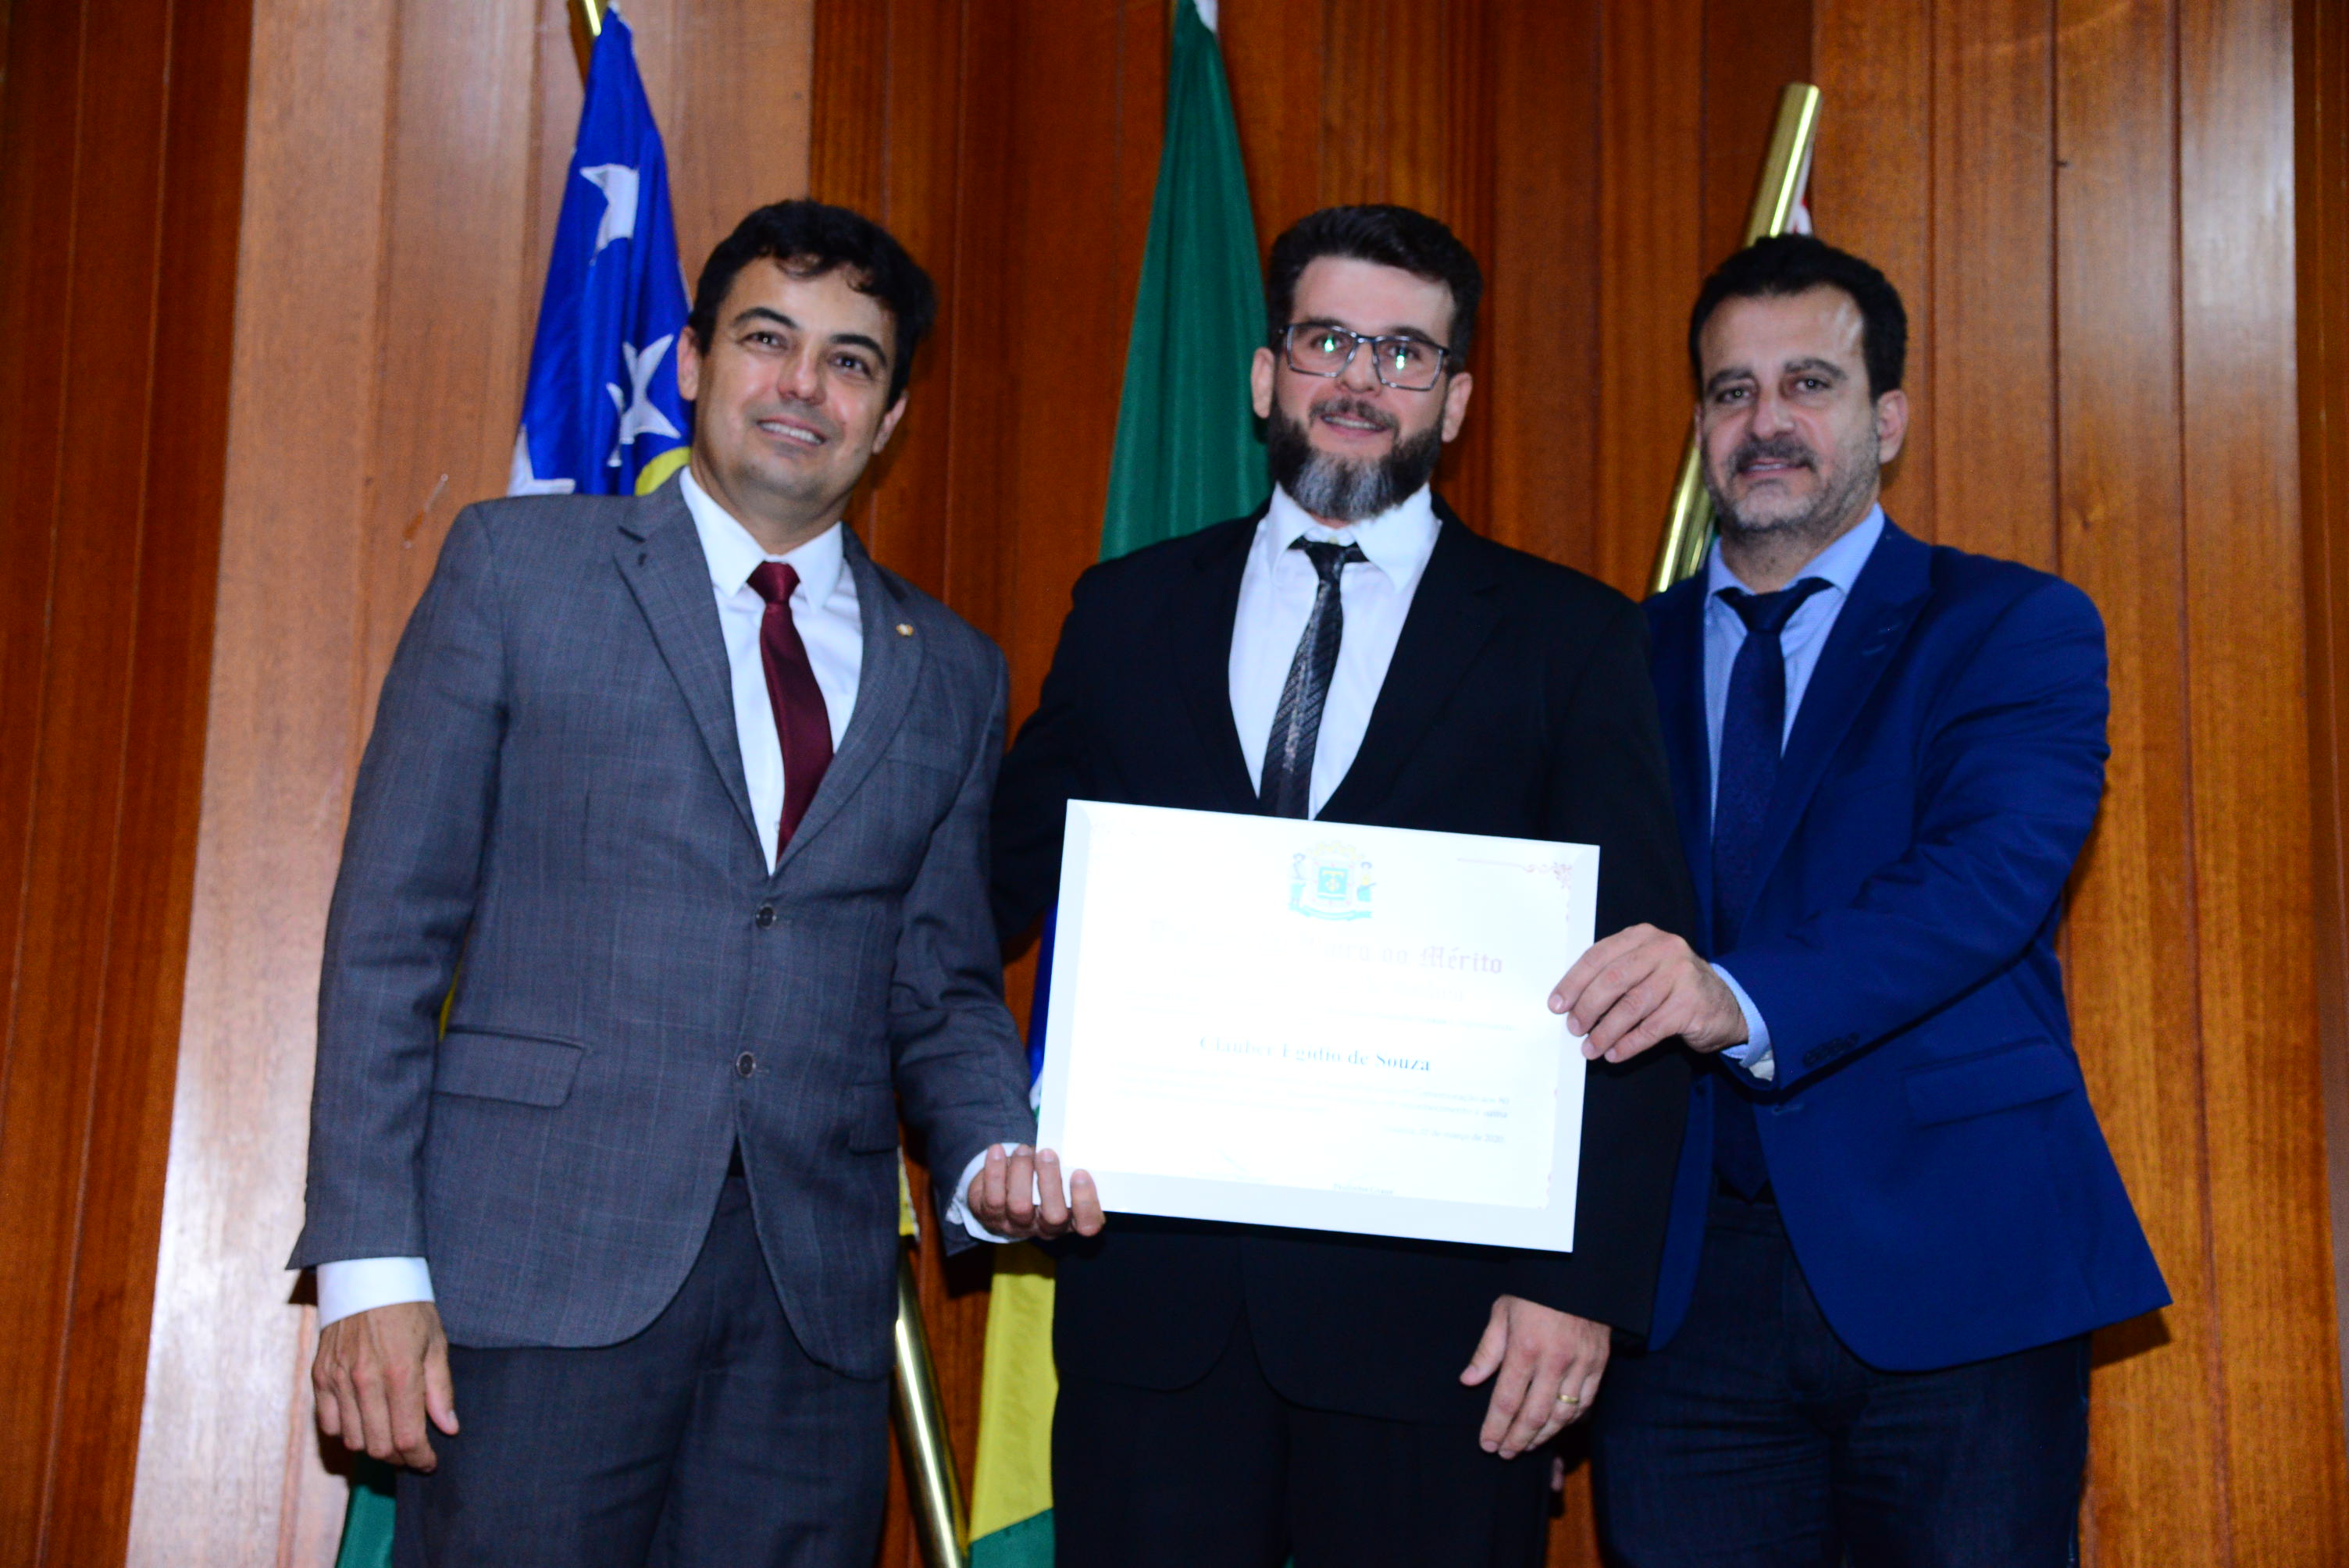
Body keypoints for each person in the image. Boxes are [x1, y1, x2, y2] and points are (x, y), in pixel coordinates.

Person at [290, 199, 1100, 1568]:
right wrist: (369, 1265)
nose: (804, 385)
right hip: (536, 1280)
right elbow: (388, 936)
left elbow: (942, 985)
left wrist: (984, 1162)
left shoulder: (954, 672)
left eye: (851, 361)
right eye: (768, 339)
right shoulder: (517, 571)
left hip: (811, 1323)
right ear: (691, 362)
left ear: (892, 417)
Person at [991, 204, 1696, 1568]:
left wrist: (1577, 1288)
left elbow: (1635, 983)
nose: (1361, 380)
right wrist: (977, 1136)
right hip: (1155, 1325)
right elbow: (986, 901)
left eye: (1405, 353)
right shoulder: (1126, 611)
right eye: (1328, 341)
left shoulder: (1569, 639)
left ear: (1455, 399)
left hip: (1442, 1345)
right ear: (1269, 376)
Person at [1554, 233, 2168, 1564]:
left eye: (1810, 384)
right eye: (1732, 390)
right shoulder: (1603, 657)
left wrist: (1736, 996)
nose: (1767, 421)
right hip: (1677, 1295)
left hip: (1958, 1265)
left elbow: (1989, 878)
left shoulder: (2010, 626)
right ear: (1701, 426)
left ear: (1887, 419)